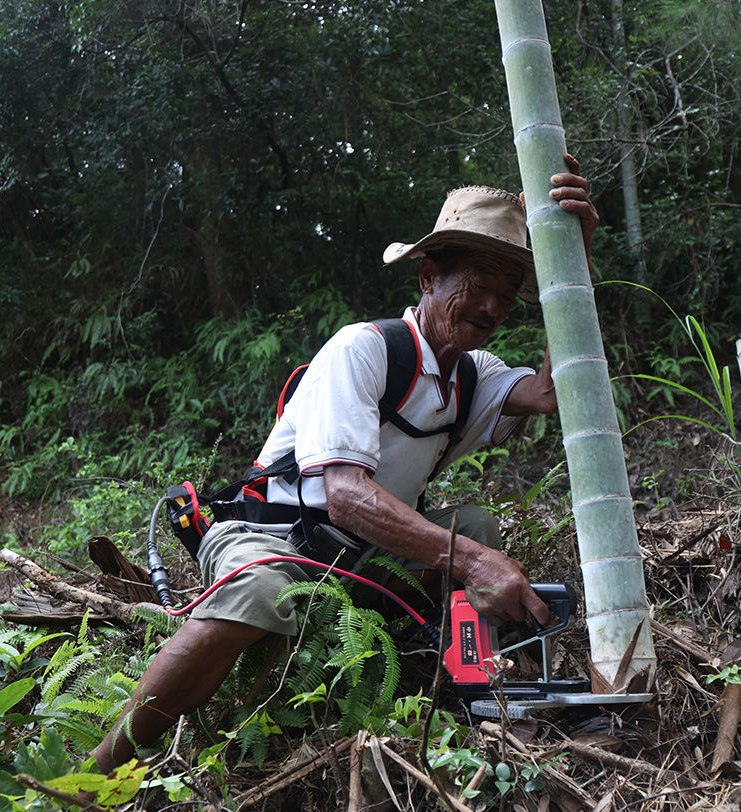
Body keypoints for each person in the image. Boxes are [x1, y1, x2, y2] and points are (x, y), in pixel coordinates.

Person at [92, 155, 598, 774]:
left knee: (476, 524)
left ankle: (460, 688)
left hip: (358, 558)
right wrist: (471, 561)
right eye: (478, 284)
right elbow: (347, 497)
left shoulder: (473, 375)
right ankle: (101, 768)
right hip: (271, 536)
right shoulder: (364, 349)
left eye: (508, 294)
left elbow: (552, 392)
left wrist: (577, 260)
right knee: (258, 590)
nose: (492, 306)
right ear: (429, 277)